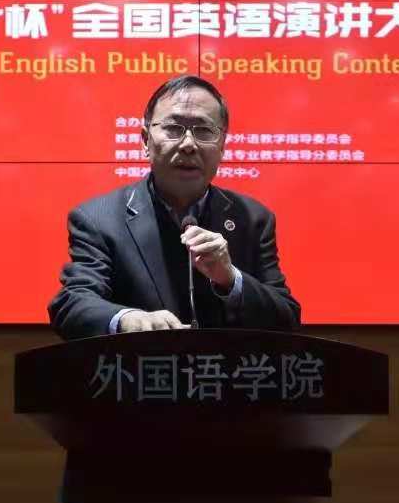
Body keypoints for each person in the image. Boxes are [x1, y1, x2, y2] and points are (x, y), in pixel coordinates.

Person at [48, 75, 300, 340]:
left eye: (204, 131)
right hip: (142, 364)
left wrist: (231, 279)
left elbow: (287, 318)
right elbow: (72, 304)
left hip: (224, 366)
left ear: (222, 146)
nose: (189, 144)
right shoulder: (99, 219)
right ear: (145, 140)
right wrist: (128, 319)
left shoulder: (253, 219)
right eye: (173, 128)